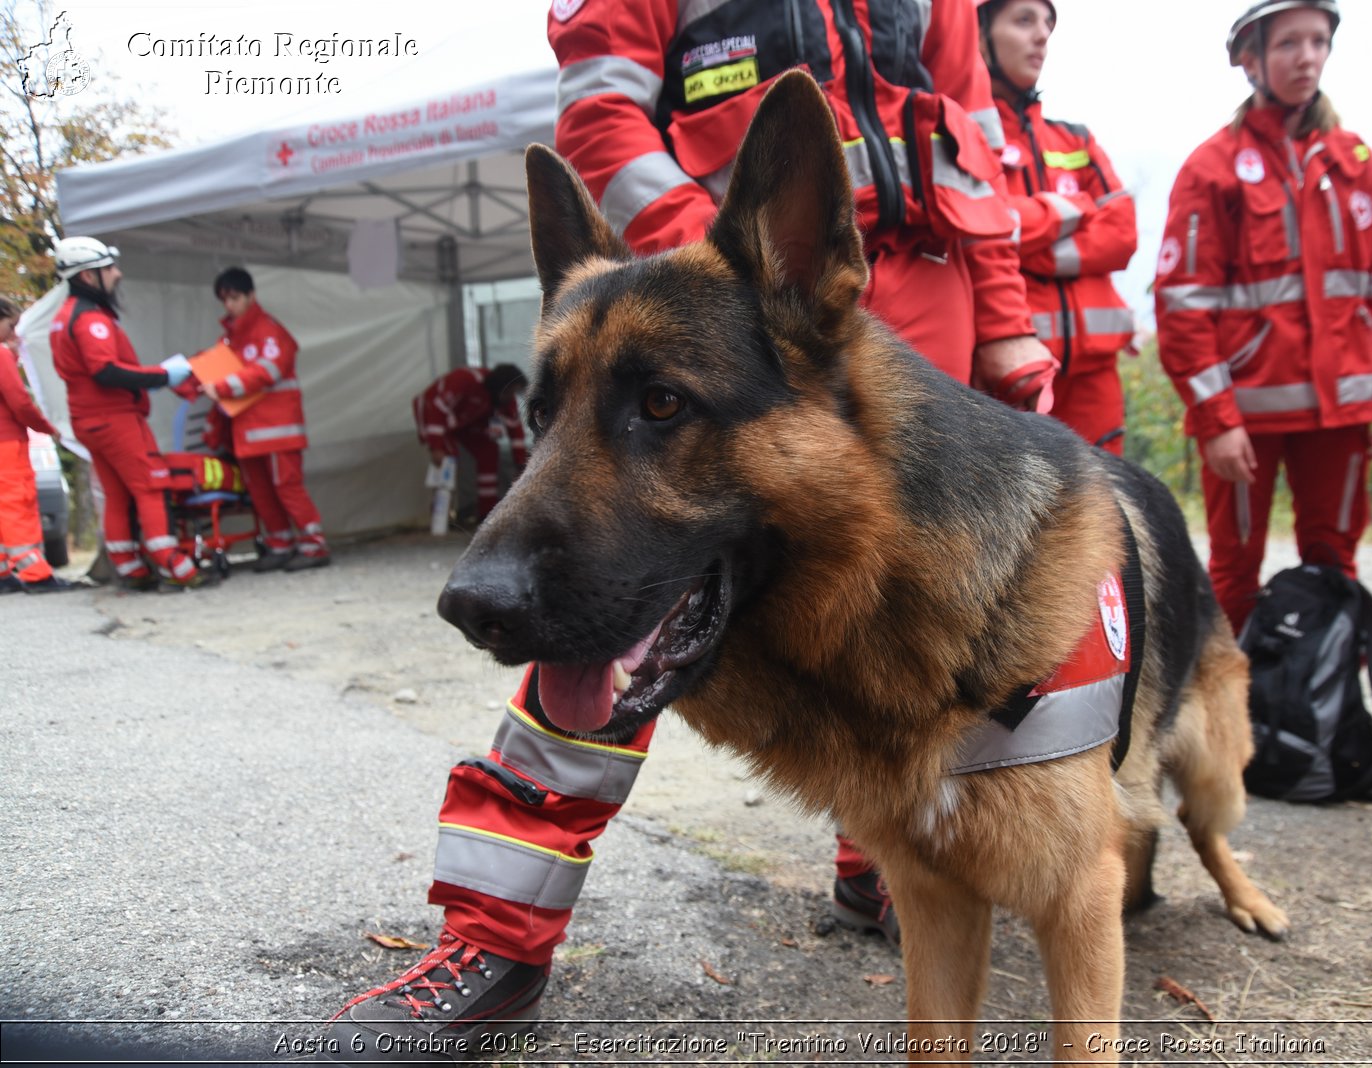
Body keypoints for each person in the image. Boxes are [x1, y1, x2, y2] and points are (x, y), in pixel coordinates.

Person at [330, 0, 1053, 1054]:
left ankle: (886, 869)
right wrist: (707, 279)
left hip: (912, 285)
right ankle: (500, 931)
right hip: (712, 282)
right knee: (598, 595)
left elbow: (971, 137)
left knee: (922, 616)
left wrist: (1009, 321)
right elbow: (597, 111)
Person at [1153, 0, 1372, 636]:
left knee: (1334, 563)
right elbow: (1183, 303)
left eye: (1319, 41)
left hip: (1344, 411)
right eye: (1290, 43)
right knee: (1234, 570)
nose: (1307, 57)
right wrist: (1216, 420)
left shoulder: (1357, 162)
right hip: (1247, 417)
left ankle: (1322, 707)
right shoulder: (1211, 168)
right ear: (1251, 59)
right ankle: (1235, 719)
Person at [979, 0, 1138, 452]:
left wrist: (1027, 242)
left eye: (1048, 22)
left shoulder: (1076, 138)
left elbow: (1123, 235)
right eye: (1024, 20)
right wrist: (1070, 210)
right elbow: (981, 229)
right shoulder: (966, 136)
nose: (1043, 34)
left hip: (1095, 377)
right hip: (1012, 374)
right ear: (980, 33)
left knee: (1111, 515)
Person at [46, 237, 212, 591]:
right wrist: (163, 375)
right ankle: (175, 568)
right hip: (115, 419)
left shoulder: (64, 318)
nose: (117, 274)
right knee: (151, 486)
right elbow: (106, 371)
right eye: (109, 269)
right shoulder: (91, 320)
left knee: (118, 492)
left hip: (90, 421)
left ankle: (131, 567)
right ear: (89, 277)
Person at [203, 267, 331, 573]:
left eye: (235, 297)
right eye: (225, 299)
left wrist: (219, 386)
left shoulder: (269, 330)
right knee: (260, 491)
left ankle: (314, 545)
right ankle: (279, 544)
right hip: (247, 431)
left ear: (251, 296)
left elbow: (268, 370)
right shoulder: (229, 339)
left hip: (278, 429)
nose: (230, 305)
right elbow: (218, 370)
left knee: (287, 487)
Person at [0, 296, 74, 593]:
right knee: (17, 504)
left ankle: (4, 574)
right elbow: (19, 401)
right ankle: (37, 575)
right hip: (7, 444)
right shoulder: (1, 355)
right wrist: (48, 427)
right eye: (11, 325)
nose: (14, 333)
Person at [410, 364, 529, 526]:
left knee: (489, 452)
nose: (511, 397)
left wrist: (520, 464)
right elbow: (435, 407)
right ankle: (439, 519)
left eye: (514, 393)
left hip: (467, 424)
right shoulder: (465, 380)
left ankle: (486, 515)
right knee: (447, 462)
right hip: (436, 418)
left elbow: (515, 431)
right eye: (509, 392)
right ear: (499, 386)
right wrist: (436, 446)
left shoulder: (506, 400)